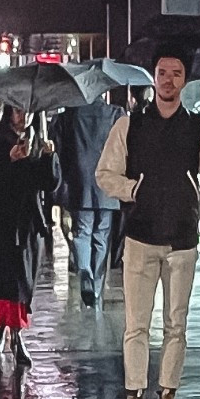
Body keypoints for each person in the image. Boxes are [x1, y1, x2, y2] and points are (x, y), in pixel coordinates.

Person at [95, 49, 200, 399]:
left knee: (176, 324)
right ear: (153, 77)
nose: (168, 79)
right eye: (162, 72)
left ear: (185, 80)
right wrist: (133, 190)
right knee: (136, 324)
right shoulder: (131, 124)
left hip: (183, 239)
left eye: (176, 73)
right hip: (140, 237)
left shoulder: (198, 127)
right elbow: (105, 174)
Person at [0, 103, 59, 366]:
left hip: (28, 224)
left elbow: (48, 184)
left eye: (27, 111)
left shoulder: (38, 140)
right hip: (3, 224)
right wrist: (9, 161)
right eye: (17, 110)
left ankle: (5, 329)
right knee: (9, 282)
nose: (22, 117)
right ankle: (15, 334)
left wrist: (49, 157)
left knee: (24, 282)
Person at [53, 94, 122, 306]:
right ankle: (98, 286)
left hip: (79, 179)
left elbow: (58, 145)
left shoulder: (70, 115)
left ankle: (84, 270)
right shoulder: (114, 114)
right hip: (107, 179)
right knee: (102, 234)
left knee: (83, 231)